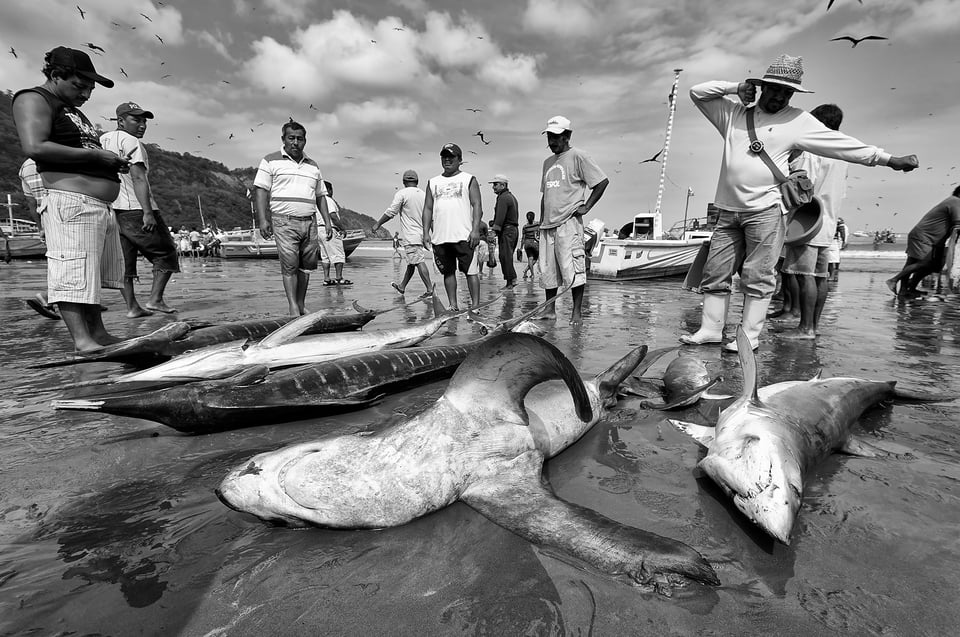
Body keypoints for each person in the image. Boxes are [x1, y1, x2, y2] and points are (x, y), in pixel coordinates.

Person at [680, 53, 918, 352]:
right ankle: (711, 329)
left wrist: (888, 159)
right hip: (728, 211)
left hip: (766, 211)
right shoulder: (734, 115)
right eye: (775, 89)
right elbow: (697, 92)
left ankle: (748, 336)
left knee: (758, 275)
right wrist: (735, 87)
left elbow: (844, 146)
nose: (780, 96)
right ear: (762, 87)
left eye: (787, 91)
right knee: (716, 272)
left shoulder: (798, 120)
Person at [12, 46, 131, 352]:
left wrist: (111, 162)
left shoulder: (71, 110)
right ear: (56, 75)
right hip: (71, 202)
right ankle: (83, 340)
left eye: (90, 89)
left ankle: (98, 334)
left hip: (97, 206)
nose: (86, 95)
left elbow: (78, 150)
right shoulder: (34, 98)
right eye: (80, 86)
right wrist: (96, 156)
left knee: (88, 276)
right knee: (72, 272)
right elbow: (35, 147)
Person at [100, 101, 180, 317]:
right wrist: (147, 212)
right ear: (121, 120)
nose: (142, 125)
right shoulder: (131, 142)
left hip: (111, 209)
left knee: (125, 261)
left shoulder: (100, 141)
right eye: (136, 119)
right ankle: (155, 300)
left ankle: (132, 307)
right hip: (135, 208)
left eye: (145, 120)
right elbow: (138, 177)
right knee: (167, 253)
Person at [780, 104, 848, 339]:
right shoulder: (841, 153)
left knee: (803, 274)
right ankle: (813, 327)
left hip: (807, 221)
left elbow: (799, 187)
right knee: (821, 276)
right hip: (828, 221)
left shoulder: (812, 150)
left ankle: (805, 328)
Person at [254, 120, 333, 315]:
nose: (295, 142)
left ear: (305, 141)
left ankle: (300, 303)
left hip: (310, 221)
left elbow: (321, 195)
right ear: (283, 139)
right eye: (291, 138)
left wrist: (328, 221)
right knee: (290, 265)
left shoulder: (313, 165)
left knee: (306, 267)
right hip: (284, 220)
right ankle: (293, 307)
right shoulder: (270, 160)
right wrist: (263, 220)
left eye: (300, 139)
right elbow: (261, 190)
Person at [538, 115, 609, 325]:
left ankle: (576, 313)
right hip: (547, 225)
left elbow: (602, 182)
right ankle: (550, 309)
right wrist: (541, 221)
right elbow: (545, 194)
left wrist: (587, 207)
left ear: (567, 136)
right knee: (548, 271)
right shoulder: (547, 162)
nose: (552, 142)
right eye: (550, 136)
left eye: (556, 137)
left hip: (568, 223)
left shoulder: (580, 156)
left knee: (574, 270)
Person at [422, 143, 483, 311]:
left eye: (451, 156)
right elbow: (427, 208)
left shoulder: (469, 179)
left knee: (470, 272)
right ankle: (453, 305)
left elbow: (477, 204)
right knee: (448, 272)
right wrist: (425, 232)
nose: (447, 159)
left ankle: (475, 306)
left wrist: (475, 229)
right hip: (441, 237)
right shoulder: (433, 182)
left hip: (464, 235)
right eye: (444, 156)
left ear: (460, 160)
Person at [885, 187, 960, 298]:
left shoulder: (952, 201)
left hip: (928, 237)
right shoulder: (956, 201)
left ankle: (905, 290)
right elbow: (957, 224)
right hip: (925, 236)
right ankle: (894, 280)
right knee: (926, 263)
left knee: (931, 265)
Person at [372, 170, 433, 296]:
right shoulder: (423, 194)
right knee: (412, 262)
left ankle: (429, 289)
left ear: (404, 182)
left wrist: (378, 224)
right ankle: (402, 286)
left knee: (418, 261)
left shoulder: (402, 193)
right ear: (417, 181)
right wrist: (432, 233)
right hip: (422, 234)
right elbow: (430, 215)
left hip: (411, 235)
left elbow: (391, 212)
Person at [488, 174, 519, 289]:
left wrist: (494, 231)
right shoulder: (510, 196)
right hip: (513, 230)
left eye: (495, 184)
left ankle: (511, 282)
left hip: (507, 230)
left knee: (505, 256)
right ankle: (511, 280)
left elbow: (500, 216)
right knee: (507, 256)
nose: (493, 187)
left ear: (503, 185)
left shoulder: (503, 198)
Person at [318, 180, 351, 285]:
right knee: (339, 254)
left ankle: (326, 279)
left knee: (325, 256)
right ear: (329, 190)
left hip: (319, 229)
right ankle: (339, 278)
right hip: (330, 228)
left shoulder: (317, 201)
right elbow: (333, 216)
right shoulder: (328, 200)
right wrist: (342, 229)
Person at [520, 210, 540, 280]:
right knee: (535, 258)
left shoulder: (525, 227)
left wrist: (521, 247)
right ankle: (526, 271)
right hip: (535, 243)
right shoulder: (537, 224)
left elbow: (523, 238)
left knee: (530, 258)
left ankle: (531, 274)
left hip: (527, 243)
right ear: (534, 217)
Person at [827, 216, 848, 281]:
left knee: (828, 261)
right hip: (833, 241)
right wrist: (844, 241)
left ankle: (830, 276)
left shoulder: (825, 217)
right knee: (831, 261)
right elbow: (842, 231)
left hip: (826, 240)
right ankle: (831, 276)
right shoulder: (837, 220)